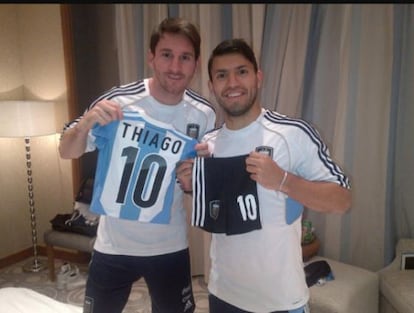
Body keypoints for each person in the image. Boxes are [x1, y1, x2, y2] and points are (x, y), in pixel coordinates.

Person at [176, 38, 351, 313]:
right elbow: (220, 208)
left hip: (281, 302)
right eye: (222, 75)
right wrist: (191, 186)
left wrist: (283, 180)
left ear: (258, 77)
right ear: (211, 86)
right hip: (223, 295)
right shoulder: (208, 145)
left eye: (241, 72)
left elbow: (341, 200)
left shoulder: (293, 134)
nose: (232, 83)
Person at [59, 17, 216, 313]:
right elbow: (66, 151)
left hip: (169, 243)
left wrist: (194, 179)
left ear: (195, 64)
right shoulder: (119, 101)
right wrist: (85, 124)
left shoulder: (203, 115)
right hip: (113, 244)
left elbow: (199, 181)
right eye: (167, 55)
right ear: (151, 57)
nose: (175, 66)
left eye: (185, 58)